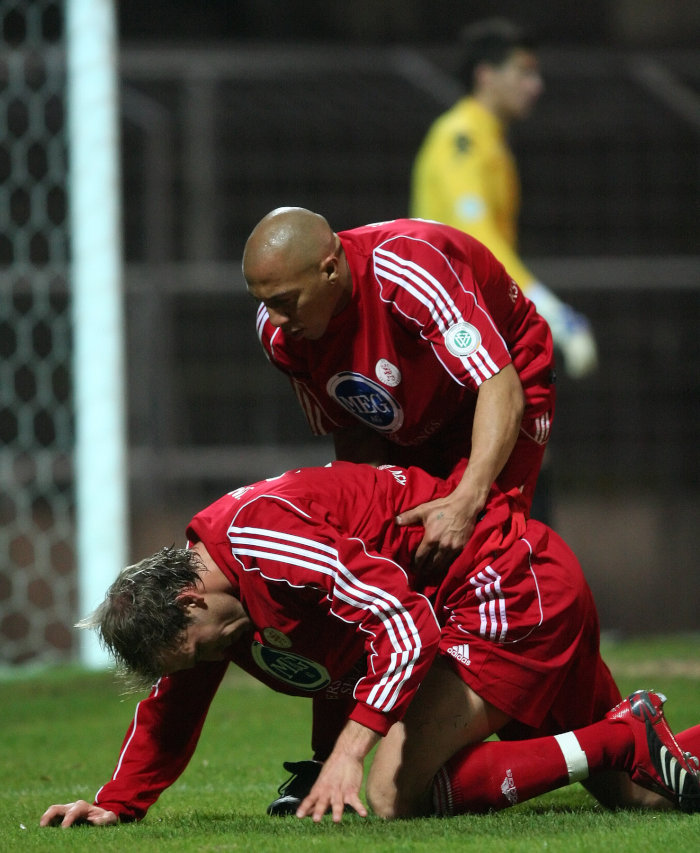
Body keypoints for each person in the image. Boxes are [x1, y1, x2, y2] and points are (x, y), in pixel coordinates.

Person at [39, 460, 700, 827]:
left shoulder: (263, 541)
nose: (213, 663)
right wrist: (118, 801)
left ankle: (623, 735)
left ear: (190, 598)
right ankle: (631, 742)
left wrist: (347, 754)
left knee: (392, 790)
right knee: (639, 795)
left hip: (506, 584)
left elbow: (405, 619)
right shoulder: (212, 601)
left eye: (201, 651)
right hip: (497, 593)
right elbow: (173, 703)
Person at [243, 207, 556, 572]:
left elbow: (498, 385)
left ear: (330, 269)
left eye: (284, 301)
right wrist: (373, 522)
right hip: (415, 408)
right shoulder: (279, 335)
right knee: (404, 546)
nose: (276, 318)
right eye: (263, 303)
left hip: (500, 377)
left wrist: (466, 501)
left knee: (486, 542)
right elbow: (351, 429)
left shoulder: (409, 268)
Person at [410, 17, 598, 382]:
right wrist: (552, 314)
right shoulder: (461, 137)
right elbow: (477, 236)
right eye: (524, 72)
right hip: (448, 333)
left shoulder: (490, 141)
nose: (536, 86)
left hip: (467, 325)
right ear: (486, 75)